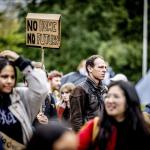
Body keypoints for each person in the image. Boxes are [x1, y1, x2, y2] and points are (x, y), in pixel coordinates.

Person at [77, 80, 150, 150]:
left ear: (129, 101)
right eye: (107, 96)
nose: (110, 101)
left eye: (116, 96)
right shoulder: (95, 126)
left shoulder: (144, 127)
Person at [0, 50, 49, 149]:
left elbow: (41, 89)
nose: (9, 81)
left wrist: (19, 60)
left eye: (12, 77)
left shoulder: (20, 96)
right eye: (4, 77)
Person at [70, 55, 107, 132]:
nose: (104, 70)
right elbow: (76, 120)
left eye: (105, 67)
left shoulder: (104, 89)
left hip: (102, 133)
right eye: (100, 67)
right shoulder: (80, 89)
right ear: (90, 68)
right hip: (88, 134)